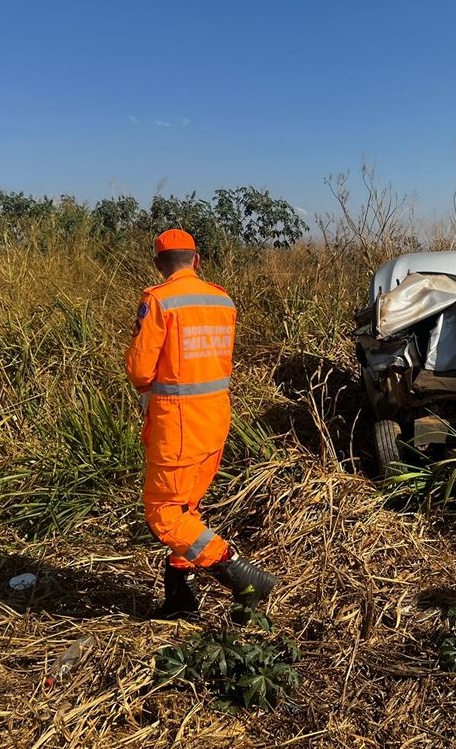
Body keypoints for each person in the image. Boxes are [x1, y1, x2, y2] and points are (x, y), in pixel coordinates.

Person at [125, 228, 277, 619]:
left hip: (177, 427)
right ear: (197, 260)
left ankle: (241, 574)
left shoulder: (159, 300)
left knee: (165, 514)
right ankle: (180, 600)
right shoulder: (222, 300)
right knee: (186, 510)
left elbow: (140, 369)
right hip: (214, 421)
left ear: (159, 264)